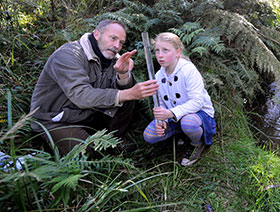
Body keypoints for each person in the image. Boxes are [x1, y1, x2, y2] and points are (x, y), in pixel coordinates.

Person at [30, 20, 159, 156]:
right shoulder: (68, 54)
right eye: (113, 38)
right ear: (97, 34)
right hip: (56, 120)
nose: (117, 46)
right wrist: (127, 93)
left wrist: (123, 74)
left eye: (121, 42)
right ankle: (95, 144)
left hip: (87, 114)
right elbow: (81, 95)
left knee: (127, 97)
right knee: (87, 153)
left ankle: (114, 140)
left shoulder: (113, 58)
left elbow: (123, 92)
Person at [143, 32, 216, 166]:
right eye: (157, 50)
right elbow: (161, 103)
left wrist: (170, 113)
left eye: (166, 50)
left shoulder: (188, 70)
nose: (160, 55)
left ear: (177, 52)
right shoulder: (158, 75)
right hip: (174, 115)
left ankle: (196, 144)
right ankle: (180, 134)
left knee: (188, 123)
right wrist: (162, 119)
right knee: (149, 135)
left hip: (199, 114)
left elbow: (197, 102)